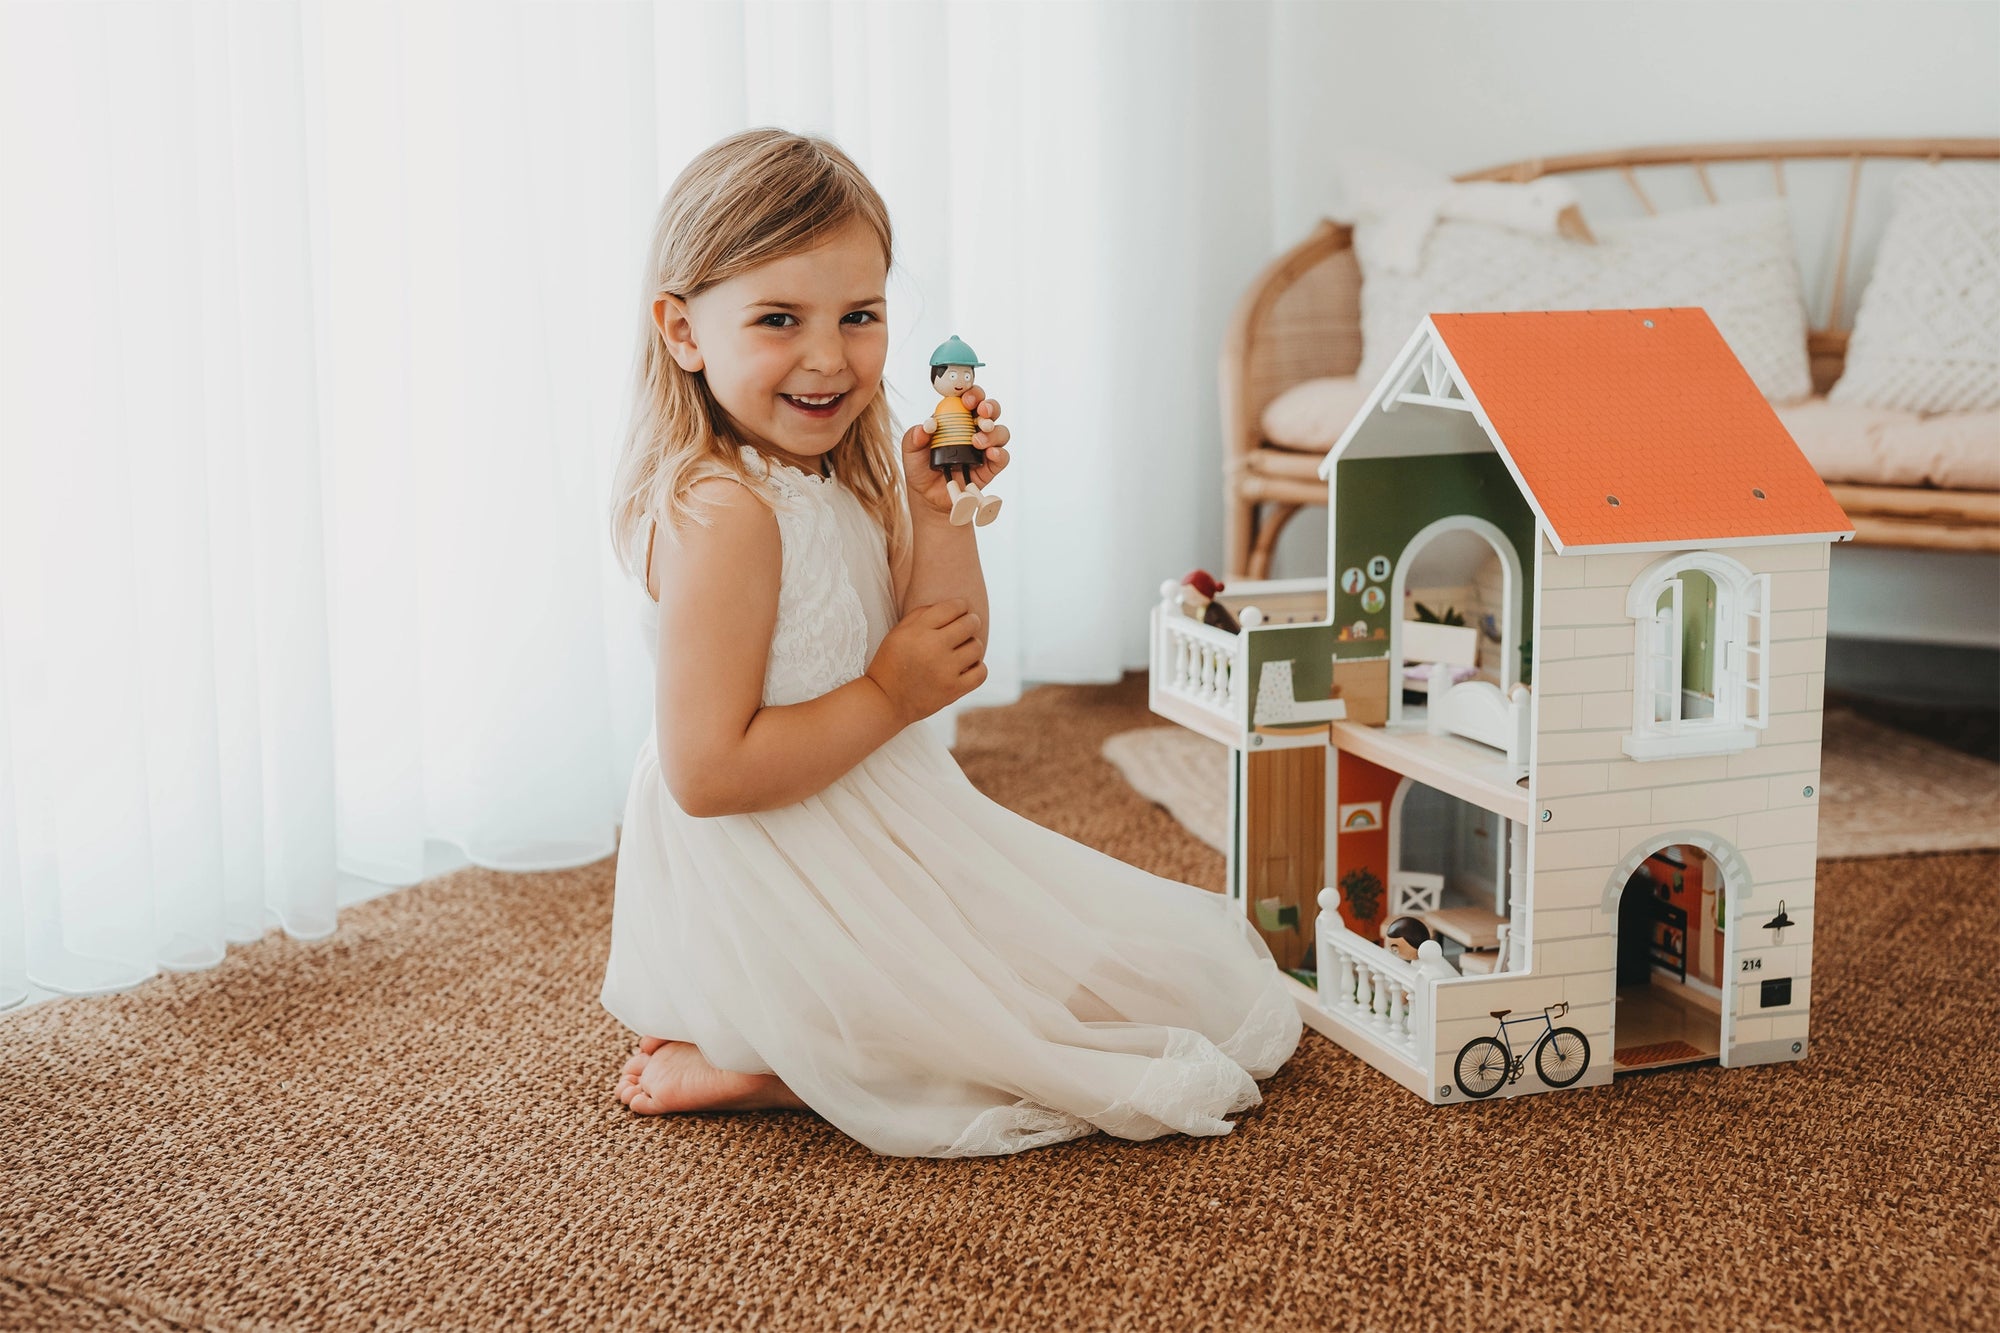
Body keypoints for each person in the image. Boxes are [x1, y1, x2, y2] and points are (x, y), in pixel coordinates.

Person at [600, 128, 1302, 1159]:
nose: (829, 356)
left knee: (1078, 972)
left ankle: (815, 1035)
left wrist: (939, 515)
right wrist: (887, 694)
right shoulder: (722, 511)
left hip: (869, 808)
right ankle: (778, 1061)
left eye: (860, 315)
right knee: (979, 1034)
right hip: (773, 849)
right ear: (682, 329)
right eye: (778, 319)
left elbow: (948, 649)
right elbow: (707, 775)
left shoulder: (837, 470)